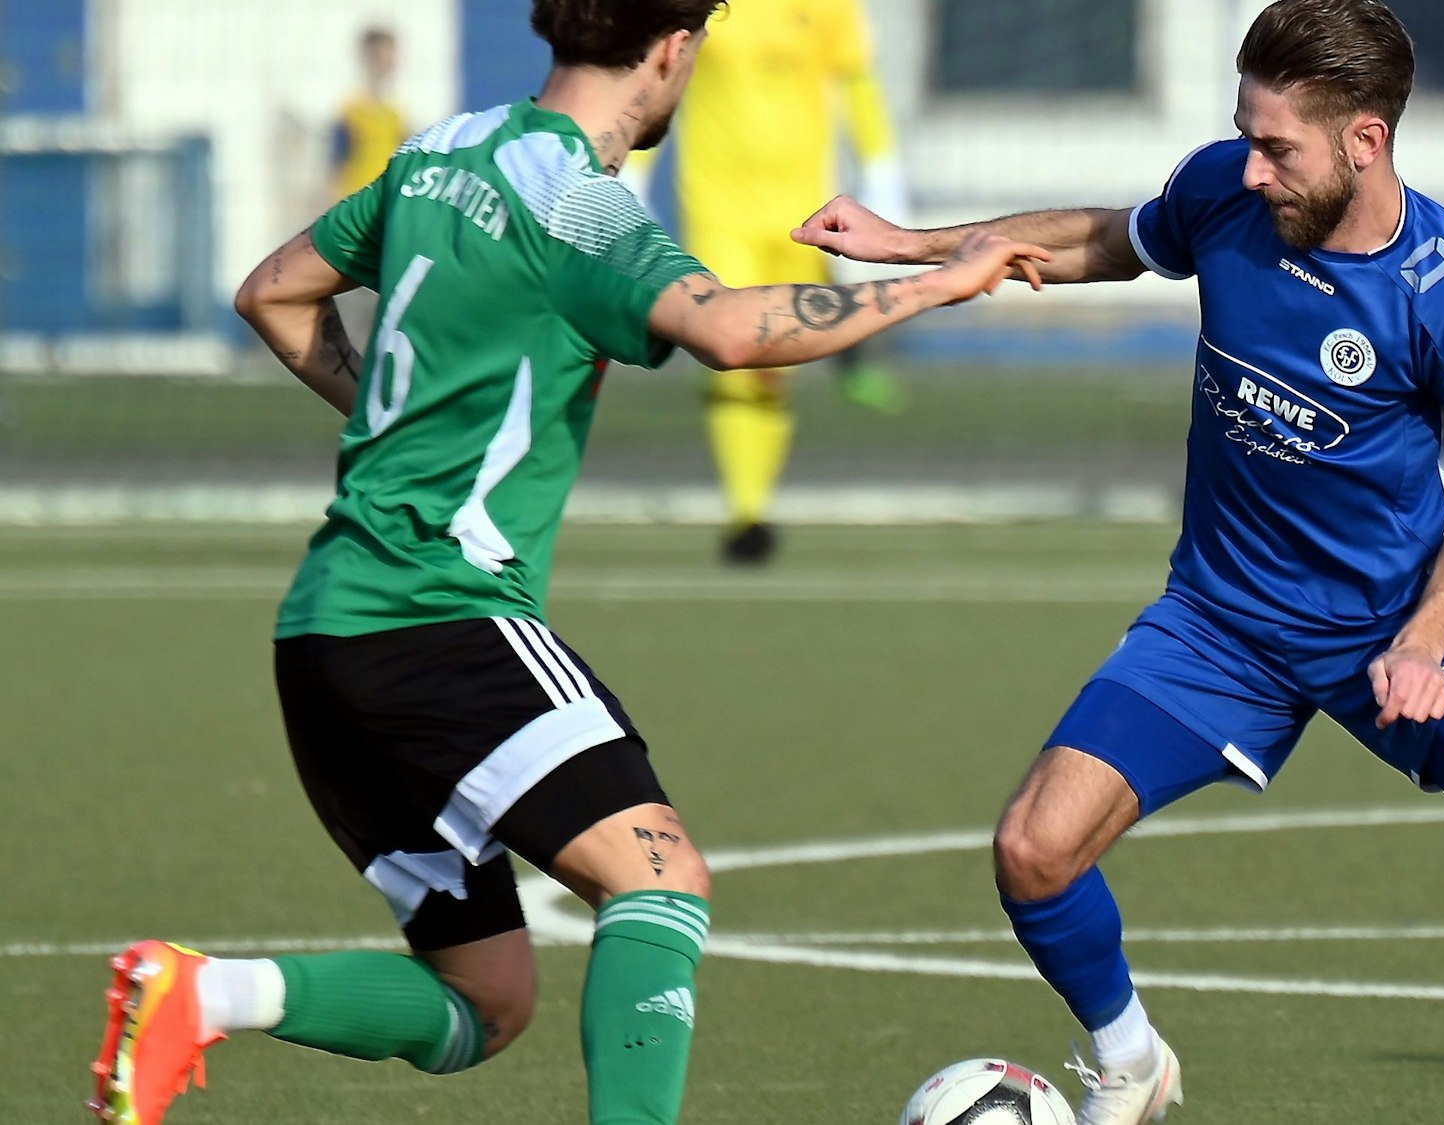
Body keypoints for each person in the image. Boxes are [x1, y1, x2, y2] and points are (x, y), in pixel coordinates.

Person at [796, 3, 1444, 1123]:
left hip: (1395, 625)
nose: (1250, 168)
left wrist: (1425, 642)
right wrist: (912, 244)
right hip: (1220, 623)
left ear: (1364, 141)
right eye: (1246, 134)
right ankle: (1132, 1063)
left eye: (1277, 147)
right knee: (1033, 850)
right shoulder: (1225, 197)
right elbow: (1107, 240)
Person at [85, 0, 1046, 1121]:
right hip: (439, 612)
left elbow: (272, 291)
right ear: (672, 49)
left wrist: (399, 427)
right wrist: (943, 278)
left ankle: (204, 995)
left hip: (323, 632)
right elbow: (732, 330)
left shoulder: (440, 153)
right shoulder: (578, 200)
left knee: (483, 1003)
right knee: (659, 876)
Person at [676, 0, 911, 564]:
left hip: (803, 208)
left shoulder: (831, 7)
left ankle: (754, 506)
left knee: (777, 365)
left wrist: (882, 169)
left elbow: (856, 80)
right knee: (732, 345)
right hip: (719, 206)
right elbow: (658, 78)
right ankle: (746, 511)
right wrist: (631, 171)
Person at [330, 27, 408, 202]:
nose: (385, 63)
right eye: (379, 56)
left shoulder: (396, 115)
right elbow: (336, 166)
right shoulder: (351, 113)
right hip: (357, 201)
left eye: (389, 55)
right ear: (366, 58)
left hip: (387, 202)